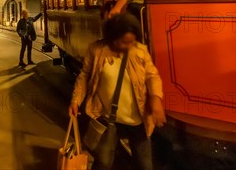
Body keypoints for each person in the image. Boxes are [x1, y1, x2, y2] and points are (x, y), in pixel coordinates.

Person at [68, 13, 165, 170]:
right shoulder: (97, 50)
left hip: (138, 120)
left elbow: (152, 76)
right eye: (124, 42)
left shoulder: (139, 51)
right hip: (107, 119)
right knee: (103, 163)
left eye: (131, 41)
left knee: (144, 165)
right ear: (112, 37)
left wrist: (155, 98)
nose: (128, 46)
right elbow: (84, 76)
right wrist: (75, 100)